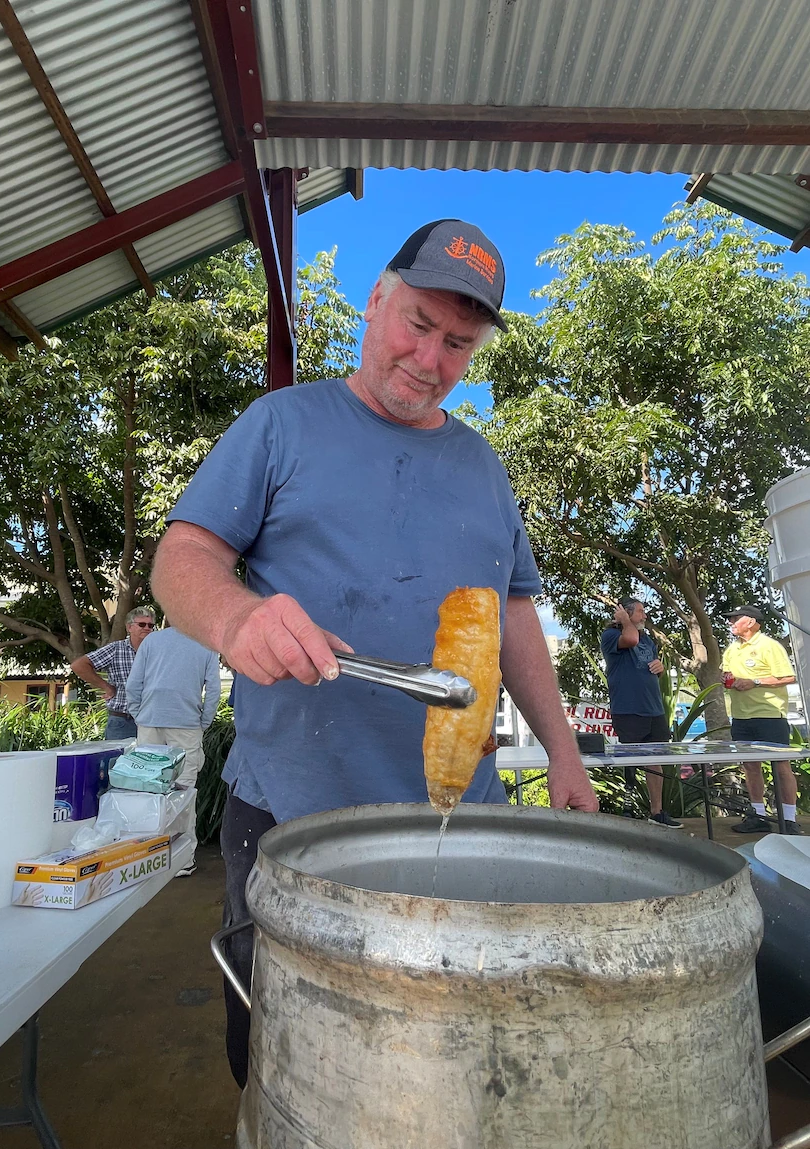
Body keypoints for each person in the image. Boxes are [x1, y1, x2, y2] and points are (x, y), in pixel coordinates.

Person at [150, 218, 598, 1088]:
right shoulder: (282, 423)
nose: (431, 360)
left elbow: (512, 617)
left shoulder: (483, 465)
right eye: (419, 325)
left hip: (456, 822)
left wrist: (565, 748)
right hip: (293, 811)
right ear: (375, 299)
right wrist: (240, 621)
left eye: (458, 343)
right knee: (288, 1058)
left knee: (443, 1055)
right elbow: (182, 558)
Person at [125, 625, 222, 875]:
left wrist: (139, 715)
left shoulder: (152, 641)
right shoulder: (207, 644)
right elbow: (213, 690)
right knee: (184, 791)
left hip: (150, 721)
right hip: (187, 724)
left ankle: (148, 856)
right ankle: (182, 860)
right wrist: (203, 722)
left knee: (147, 789)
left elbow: (133, 683)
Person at [600, 598, 683, 828]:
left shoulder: (647, 639)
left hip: (654, 709)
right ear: (625, 614)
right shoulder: (610, 636)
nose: (644, 616)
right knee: (631, 761)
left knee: (655, 760)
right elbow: (630, 638)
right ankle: (628, 810)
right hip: (628, 710)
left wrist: (660, 668)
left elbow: (651, 667)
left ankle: (656, 813)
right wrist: (625, 621)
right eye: (640, 611)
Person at [723, 606, 803, 836]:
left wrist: (755, 682)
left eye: (735, 619)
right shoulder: (732, 649)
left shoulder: (769, 646)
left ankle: (789, 819)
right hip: (741, 717)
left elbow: (788, 676)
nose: (731, 623)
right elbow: (727, 675)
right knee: (750, 766)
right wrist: (726, 679)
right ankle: (758, 815)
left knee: (781, 765)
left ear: (751, 622)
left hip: (769, 715)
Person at [69, 607, 156, 739]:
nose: (147, 628)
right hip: (123, 721)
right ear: (129, 627)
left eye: (150, 625)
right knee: (118, 759)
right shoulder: (116, 649)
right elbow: (79, 665)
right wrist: (106, 687)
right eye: (142, 624)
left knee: (154, 759)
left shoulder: (158, 652)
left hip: (153, 721)